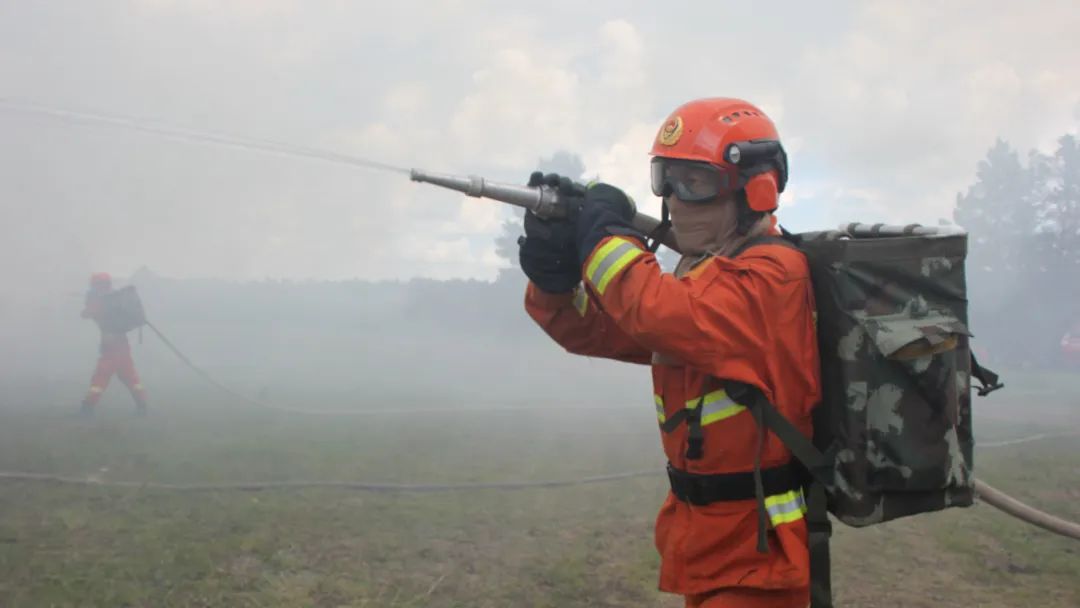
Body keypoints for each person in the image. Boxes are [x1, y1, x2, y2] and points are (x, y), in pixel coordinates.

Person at [519, 98, 820, 608]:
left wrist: (599, 235)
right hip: (709, 541)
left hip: (757, 555)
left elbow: (659, 313)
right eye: (666, 179)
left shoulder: (772, 277)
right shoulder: (703, 278)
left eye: (696, 184)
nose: (676, 202)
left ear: (755, 190)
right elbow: (596, 331)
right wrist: (554, 277)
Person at [80, 272, 148, 415]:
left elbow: (86, 314)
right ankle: (142, 406)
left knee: (101, 375)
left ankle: (87, 407)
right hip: (122, 342)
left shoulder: (102, 300)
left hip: (111, 344)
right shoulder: (116, 299)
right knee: (130, 376)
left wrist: (88, 303)